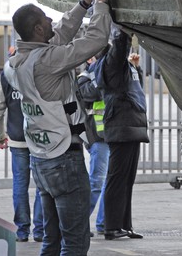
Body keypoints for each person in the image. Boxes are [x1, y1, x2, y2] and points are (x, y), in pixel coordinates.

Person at [4, 0, 113, 255]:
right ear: (39, 30)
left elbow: (59, 34)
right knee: (75, 242)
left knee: (52, 241)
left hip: (41, 159)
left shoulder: (17, 63)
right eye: (45, 19)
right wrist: (100, 2)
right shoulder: (48, 62)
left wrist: (83, 3)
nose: (51, 21)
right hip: (64, 160)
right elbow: (96, 39)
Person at [93, 26, 150, 240]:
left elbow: (135, 89)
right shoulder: (110, 64)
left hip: (130, 126)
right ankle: (112, 226)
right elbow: (119, 46)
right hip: (122, 126)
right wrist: (123, 28)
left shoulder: (120, 67)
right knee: (117, 178)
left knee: (127, 179)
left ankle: (124, 225)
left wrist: (137, 68)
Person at [0, 67, 44, 243]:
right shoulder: (40, 70)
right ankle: (40, 230)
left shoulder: (7, 75)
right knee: (42, 185)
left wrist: (0, 135)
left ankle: (22, 231)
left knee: (20, 184)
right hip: (40, 138)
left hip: (17, 138)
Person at [77, 51, 110, 236]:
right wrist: (101, 75)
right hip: (97, 137)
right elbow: (90, 94)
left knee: (109, 182)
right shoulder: (84, 77)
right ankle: (79, 223)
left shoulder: (110, 73)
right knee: (96, 182)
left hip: (113, 134)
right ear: (90, 59)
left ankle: (105, 223)